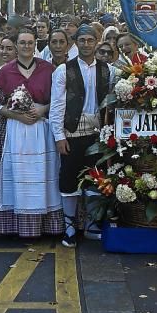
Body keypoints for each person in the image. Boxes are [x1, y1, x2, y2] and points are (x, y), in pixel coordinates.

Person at [0, 28, 64, 238]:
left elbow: (59, 100)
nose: (26, 47)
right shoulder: (6, 71)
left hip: (42, 130)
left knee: (44, 174)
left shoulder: (49, 69)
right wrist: (17, 116)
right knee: (14, 175)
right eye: (22, 43)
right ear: (16, 45)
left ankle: (47, 225)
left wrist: (42, 109)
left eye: (30, 43)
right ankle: (12, 226)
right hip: (15, 130)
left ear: (36, 44)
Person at [49, 25, 111, 247]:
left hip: (98, 132)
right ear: (76, 43)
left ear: (96, 42)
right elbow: (56, 105)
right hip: (72, 131)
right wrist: (58, 136)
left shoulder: (107, 70)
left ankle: (93, 224)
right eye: (82, 40)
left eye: (90, 40)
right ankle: (69, 227)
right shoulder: (64, 70)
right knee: (69, 179)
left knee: (96, 179)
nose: (86, 44)